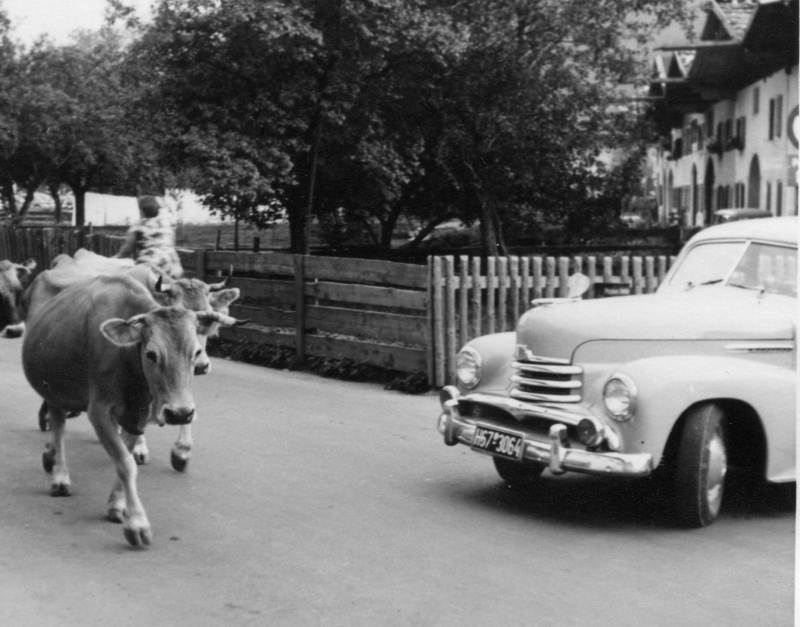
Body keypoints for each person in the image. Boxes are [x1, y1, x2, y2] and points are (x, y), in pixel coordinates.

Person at [115, 195, 183, 279]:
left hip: (150, 269)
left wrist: (114, 259)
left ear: (141, 210)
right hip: (173, 268)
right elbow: (171, 244)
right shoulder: (167, 224)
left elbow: (127, 250)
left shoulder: (138, 227)